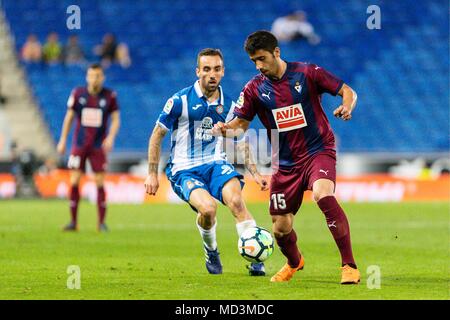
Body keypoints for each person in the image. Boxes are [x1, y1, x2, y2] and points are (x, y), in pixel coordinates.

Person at [213, 31, 359, 284]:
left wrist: (347, 106)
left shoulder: (307, 72)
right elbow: (242, 125)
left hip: (318, 150)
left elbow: (348, 91)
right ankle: (295, 262)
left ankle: (349, 265)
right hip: (285, 163)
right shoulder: (254, 89)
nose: (258, 65)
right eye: (253, 61)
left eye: (262, 58)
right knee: (280, 229)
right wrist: (225, 129)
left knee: (323, 194)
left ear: (276, 53)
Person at [144, 48, 268, 276]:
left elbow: (239, 139)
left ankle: (255, 257)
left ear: (223, 72)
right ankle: (211, 250)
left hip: (214, 163)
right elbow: (156, 135)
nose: (212, 74)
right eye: (207, 69)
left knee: (237, 202)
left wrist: (255, 172)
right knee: (209, 209)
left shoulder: (229, 106)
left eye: (217, 69)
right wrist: (152, 173)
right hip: (184, 169)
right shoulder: (179, 100)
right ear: (198, 71)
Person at [56, 63, 120, 232]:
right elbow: (69, 117)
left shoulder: (110, 96)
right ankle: (73, 222)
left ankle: (101, 223)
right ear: (87, 77)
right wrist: (63, 139)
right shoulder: (78, 94)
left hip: (98, 146)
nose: (94, 79)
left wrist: (111, 137)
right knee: (74, 180)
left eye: (98, 75)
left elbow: (116, 119)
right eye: (91, 75)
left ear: (103, 77)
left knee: (99, 181)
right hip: (79, 144)